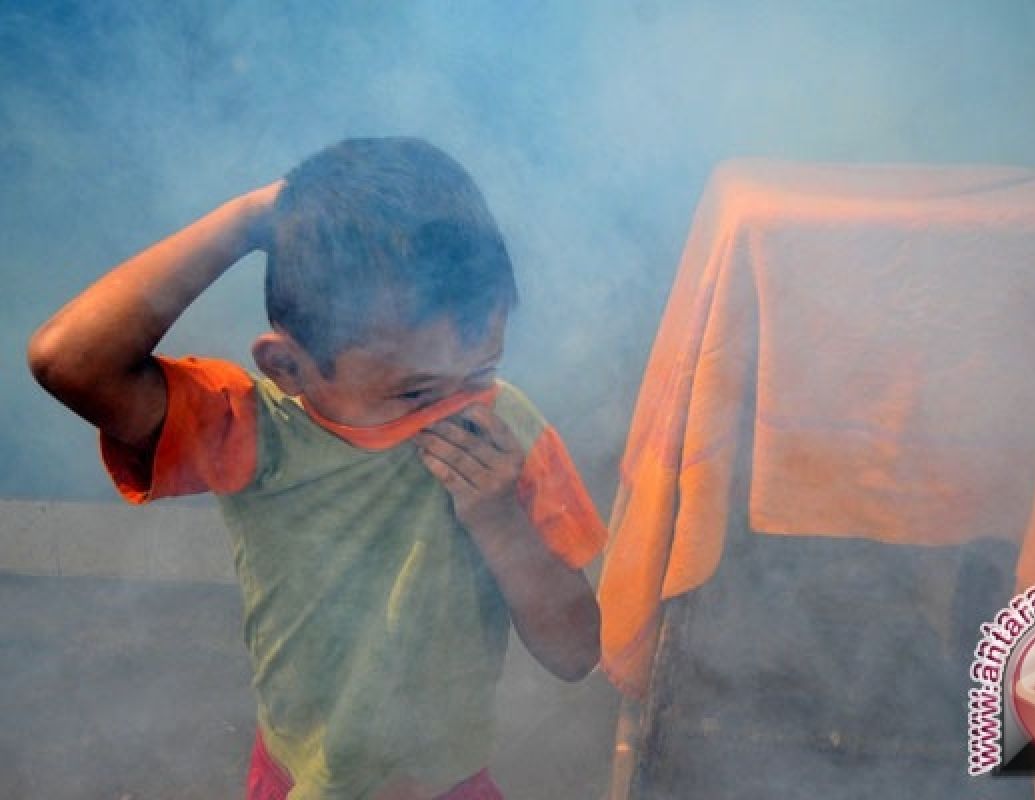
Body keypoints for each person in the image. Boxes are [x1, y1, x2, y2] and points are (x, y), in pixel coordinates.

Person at [27, 137, 608, 800]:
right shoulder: (252, 428)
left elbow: (575, 653)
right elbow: (66, 361)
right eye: (417, 391)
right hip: (294, 780)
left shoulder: (507, 435)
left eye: (481, 371)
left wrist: (499, 519)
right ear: (289, 369)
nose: (460, 406)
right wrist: (254, 217)